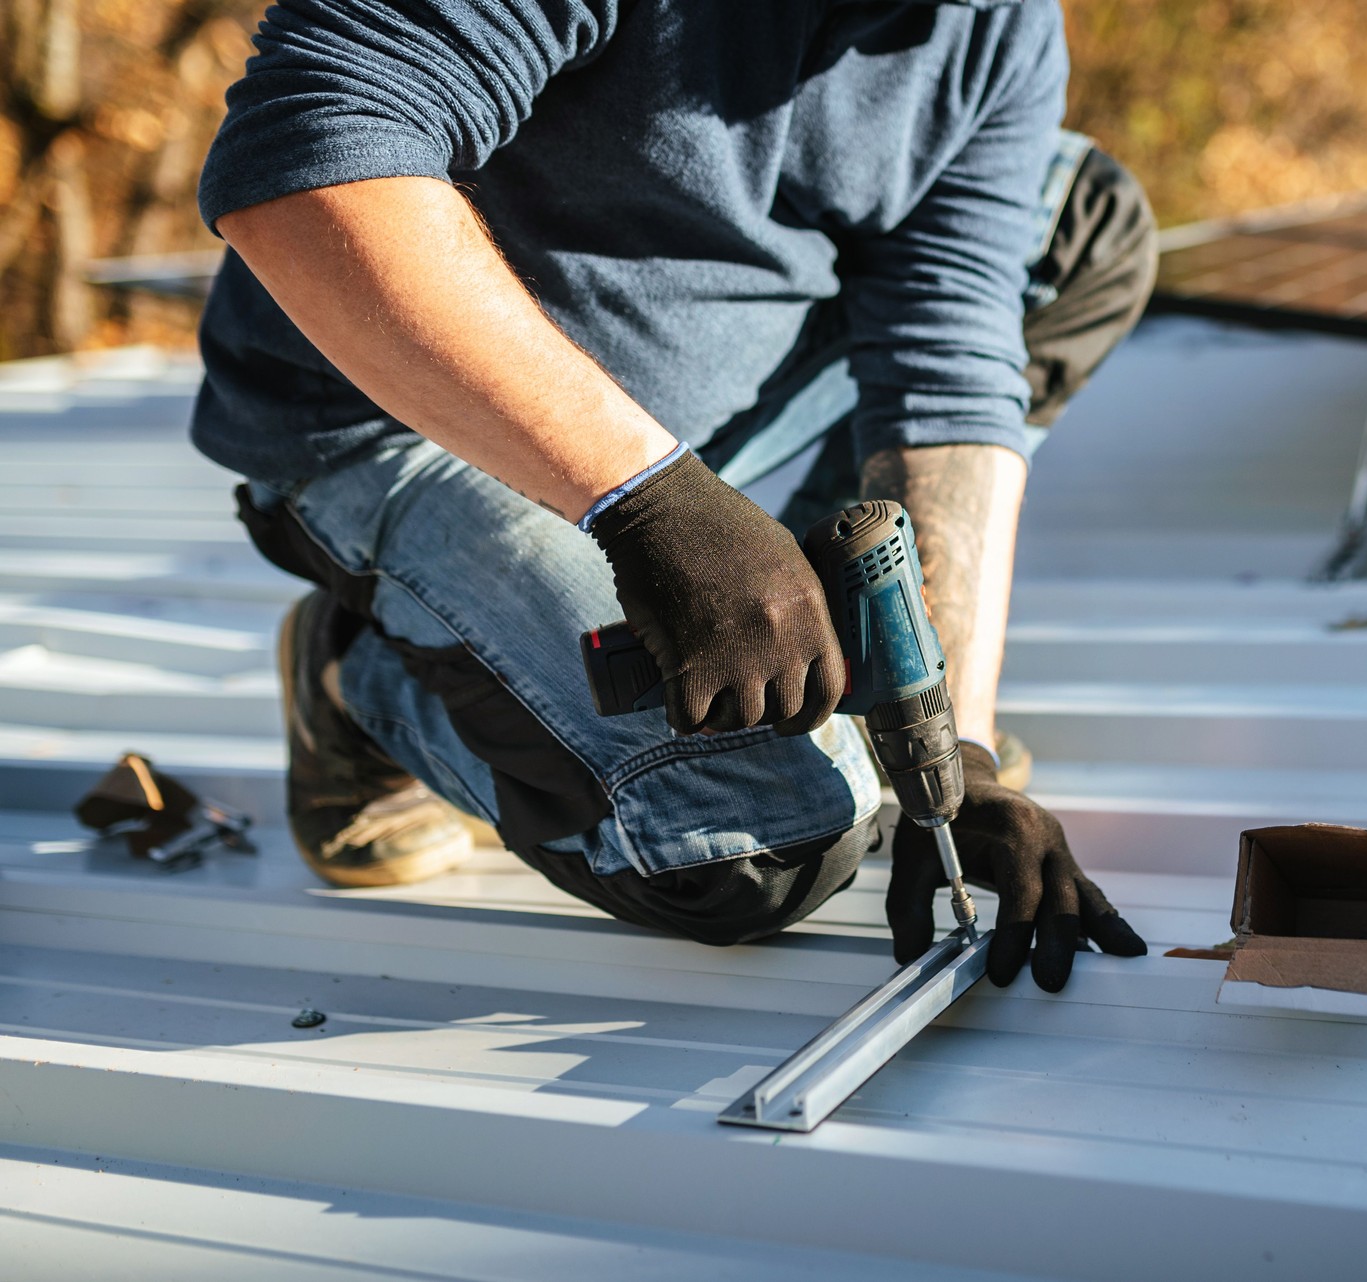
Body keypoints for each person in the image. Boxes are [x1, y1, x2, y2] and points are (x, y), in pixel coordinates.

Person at [193, 0, 1156, 992]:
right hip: (394, 416)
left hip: (671, 430)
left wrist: (953, 747)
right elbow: (310, 154)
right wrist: (653, 505)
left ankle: (752, 603)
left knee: (1080, 222)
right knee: (757, 839)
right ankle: (361, 678)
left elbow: (947, 364)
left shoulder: (997, 23)